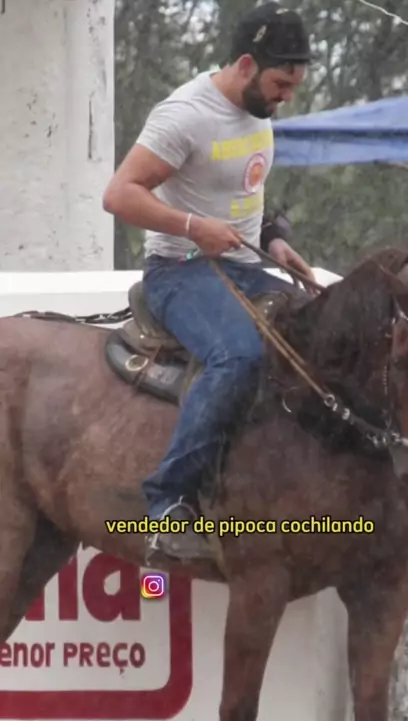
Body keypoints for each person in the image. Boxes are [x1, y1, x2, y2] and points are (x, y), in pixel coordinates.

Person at [102, 2, 315, 564]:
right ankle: (167, 503)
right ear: (246, 64)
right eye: (280, 84)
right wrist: (195, 228)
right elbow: (118, 195)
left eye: (293, 86)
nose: (285, 98)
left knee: (322, 332)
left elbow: (239, 191)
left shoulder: (259, 107)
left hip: (245, 264)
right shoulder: (184, 115)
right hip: (179, 270)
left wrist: (274, 240)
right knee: (240, 355)